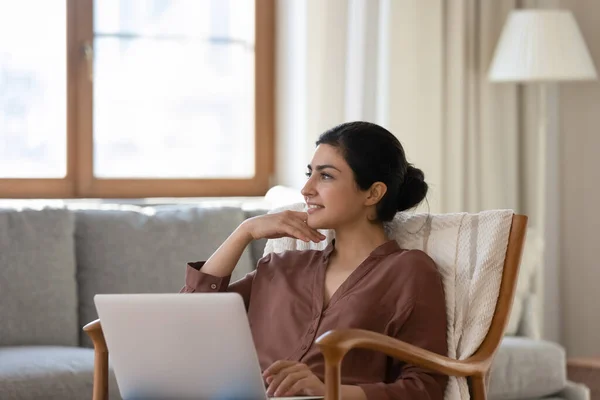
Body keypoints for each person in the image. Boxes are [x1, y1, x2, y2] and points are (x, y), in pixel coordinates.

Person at [180, 121, 448, 400]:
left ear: (373, 193)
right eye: (309, 174)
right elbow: (186, 319)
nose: (307, 189)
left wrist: (327, 391)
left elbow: (425, 386)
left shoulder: (409, 270)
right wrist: (244, 232)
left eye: (326, 176)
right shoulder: (280, 267)